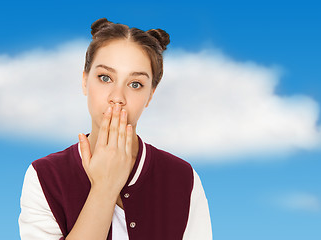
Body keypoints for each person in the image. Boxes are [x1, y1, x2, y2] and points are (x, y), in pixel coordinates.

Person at [18, 18, 212, 240]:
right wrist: (104, 188)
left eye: (135, 84)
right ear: (84, 80)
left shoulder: (184, 179)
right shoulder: (44, 177)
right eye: (105, 78)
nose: (117, 98)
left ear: (150, 94)